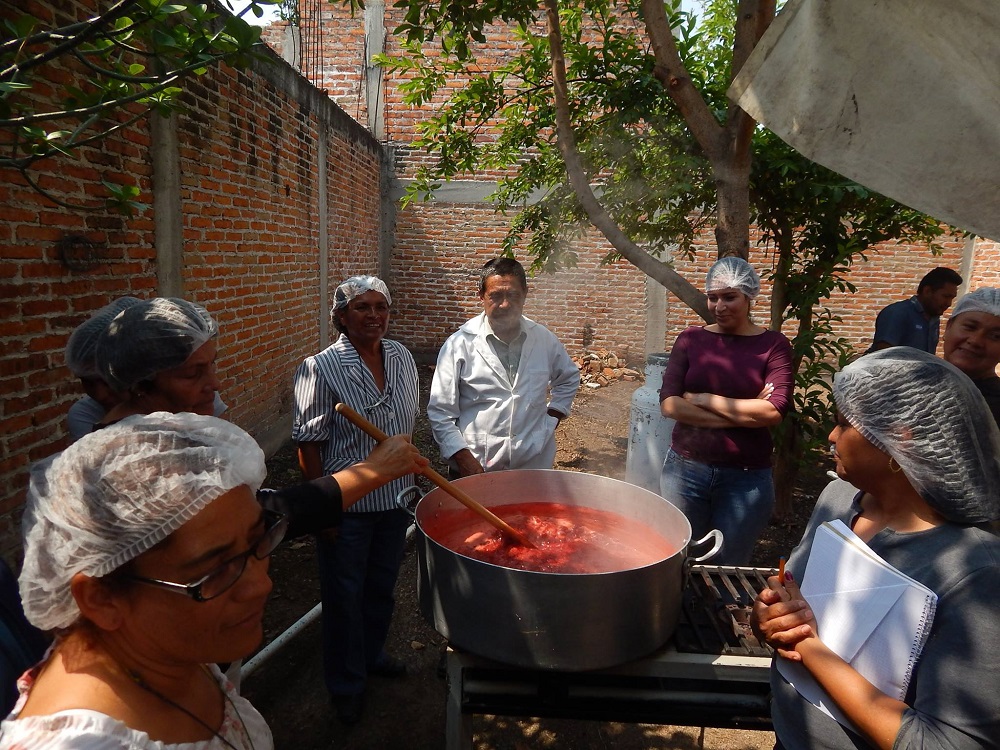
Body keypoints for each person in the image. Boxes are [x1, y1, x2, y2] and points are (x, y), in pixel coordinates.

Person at [752, 348, 1000, 750]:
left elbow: (947, 742)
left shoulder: (976, 572)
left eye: (843, 425)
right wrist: (770, 618)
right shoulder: (838, 498)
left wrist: (807, 646)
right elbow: (795, 598)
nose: (831, 437)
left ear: (898, 438)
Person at [0, 413, 280, 749]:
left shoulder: (170, 649)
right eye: (214, 570)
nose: (261, 586)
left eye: (258, 539)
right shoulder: (84, 743)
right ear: (100, 598)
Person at [94, 296, 427, 540]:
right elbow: (257, 517)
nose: (215, 383)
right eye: (193, 373)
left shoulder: (172, 440)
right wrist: (373, 471)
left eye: (212, 365)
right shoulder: (129, 466)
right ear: (138, 383)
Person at [291, 275, 420, 725]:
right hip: (347, 505)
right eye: (362, 308)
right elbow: (309, 445)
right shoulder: (319, 367)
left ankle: (371, 656)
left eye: (381, 307)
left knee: (380, 589)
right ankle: (346, 684)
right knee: (343, 596)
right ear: (341, 317)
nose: (373, 316)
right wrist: (319, 509)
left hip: (394, 501)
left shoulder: (402, 357)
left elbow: (407, 422)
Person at [658, 256, 793, 566]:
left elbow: (773, 412)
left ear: (749, 297)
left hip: (746, 481)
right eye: (713, 297)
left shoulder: (773, 345)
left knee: (728, 565)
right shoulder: (691, 339)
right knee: (678, 559)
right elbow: (669, 404)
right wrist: (745, 415)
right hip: (685, 471)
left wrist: (704, 399)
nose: (720, 306)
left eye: (729, 297)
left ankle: (718, 616)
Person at [427, 258, 580, 477]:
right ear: (481, 296)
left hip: (532, 468)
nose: (505, 304)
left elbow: (568, 378)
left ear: (525, 294)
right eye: (495, 296)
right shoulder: (459, 345)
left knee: (530, 512)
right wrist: (463, 458)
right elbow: (441, 412)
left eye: (513, 295)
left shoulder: (544, 340)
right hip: (475, 469)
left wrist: (551, 419)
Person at [63, 296, 141, 441]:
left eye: (107, 381)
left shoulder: (182, 400)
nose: (100, 395)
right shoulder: (86, 415)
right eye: (87, 382)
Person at [867, 266, 961, 354]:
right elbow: (883, 356)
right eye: (946, 296)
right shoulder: (898, 313)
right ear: (927, 291)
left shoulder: (933, 319)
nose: (949, 303)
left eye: (952, 298)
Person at [941, 286, 1000, 424]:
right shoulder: (915, 384)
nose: (975, 341)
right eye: (970, 327)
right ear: (948, 327)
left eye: (995, 336)